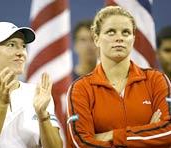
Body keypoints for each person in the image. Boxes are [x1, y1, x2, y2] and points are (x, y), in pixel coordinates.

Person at [66, 6, 171, 147]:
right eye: (111, 32)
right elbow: (80, 143)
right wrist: (148, 134)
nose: (119, 38)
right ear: (96, 38)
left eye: (126, 32)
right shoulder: (80, 88)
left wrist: (112, 136)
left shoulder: (156, 80)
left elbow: (168, 131)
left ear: (133, 39)